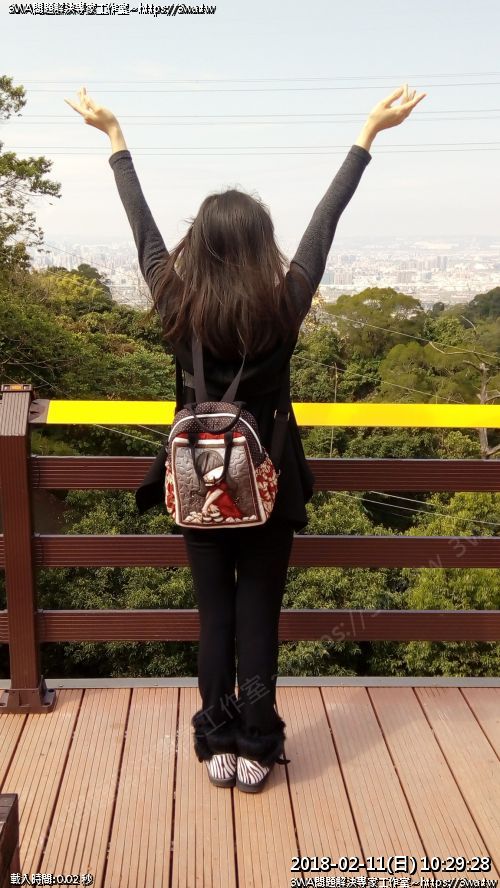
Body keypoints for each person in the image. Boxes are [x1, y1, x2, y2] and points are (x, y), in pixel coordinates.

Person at [65, 82, 426, 792]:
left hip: (197, 489)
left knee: (215, 622)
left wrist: (115, 139)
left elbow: (144, 235)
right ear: (263, 246)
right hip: (268, 489)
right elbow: (324, 226)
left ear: (197, 246)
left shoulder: (176, 303)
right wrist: (367, 135)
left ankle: (217, 744)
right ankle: (257, 745)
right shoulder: (283, 306)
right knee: (258, 619)